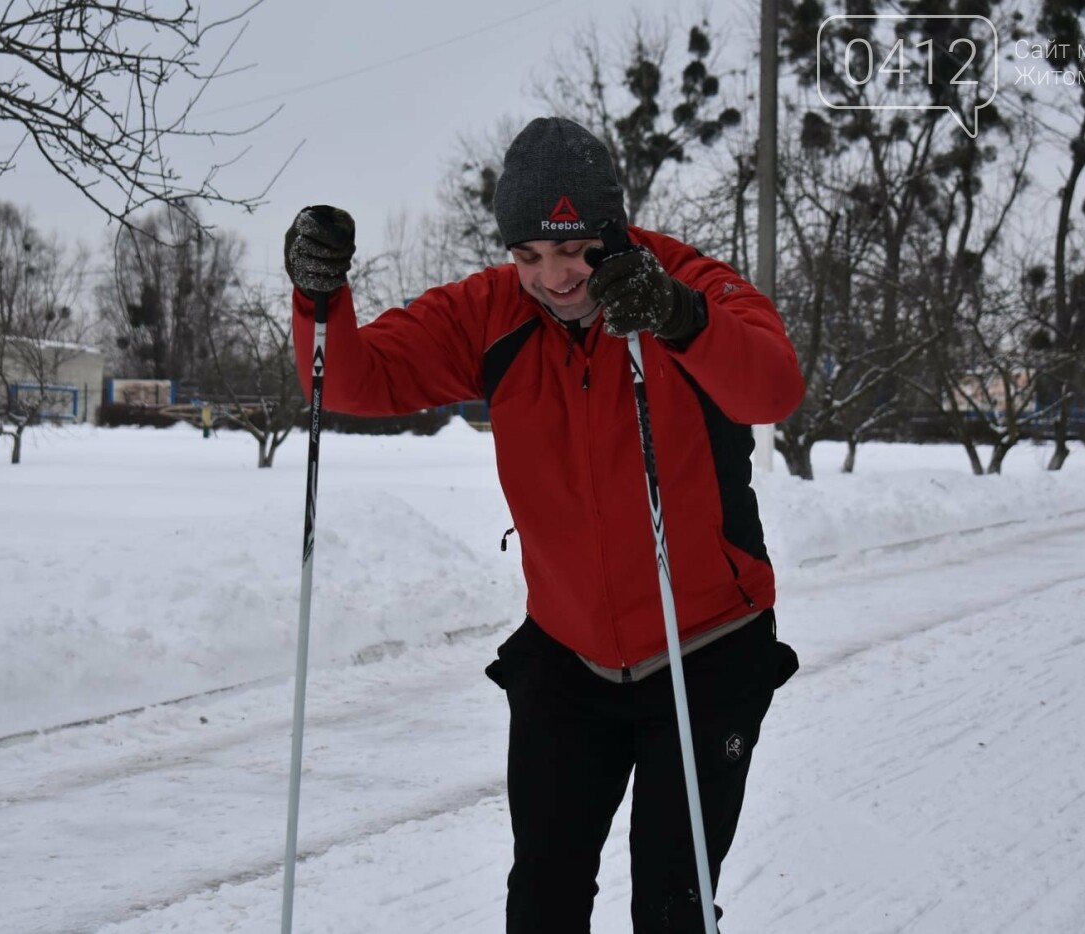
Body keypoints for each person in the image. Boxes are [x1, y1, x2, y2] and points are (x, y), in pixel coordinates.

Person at [284, 116, 803, 933]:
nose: (550, 276)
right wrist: (321, 301)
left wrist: (679, 317)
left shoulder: (685, 284)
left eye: (570, 252)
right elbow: (353, 381)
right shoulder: (491, 313)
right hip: (568, 659)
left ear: (611, 231)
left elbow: (772, 388)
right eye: (527, 255)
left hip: (704, 651)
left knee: (672, 908)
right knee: (542, 904)